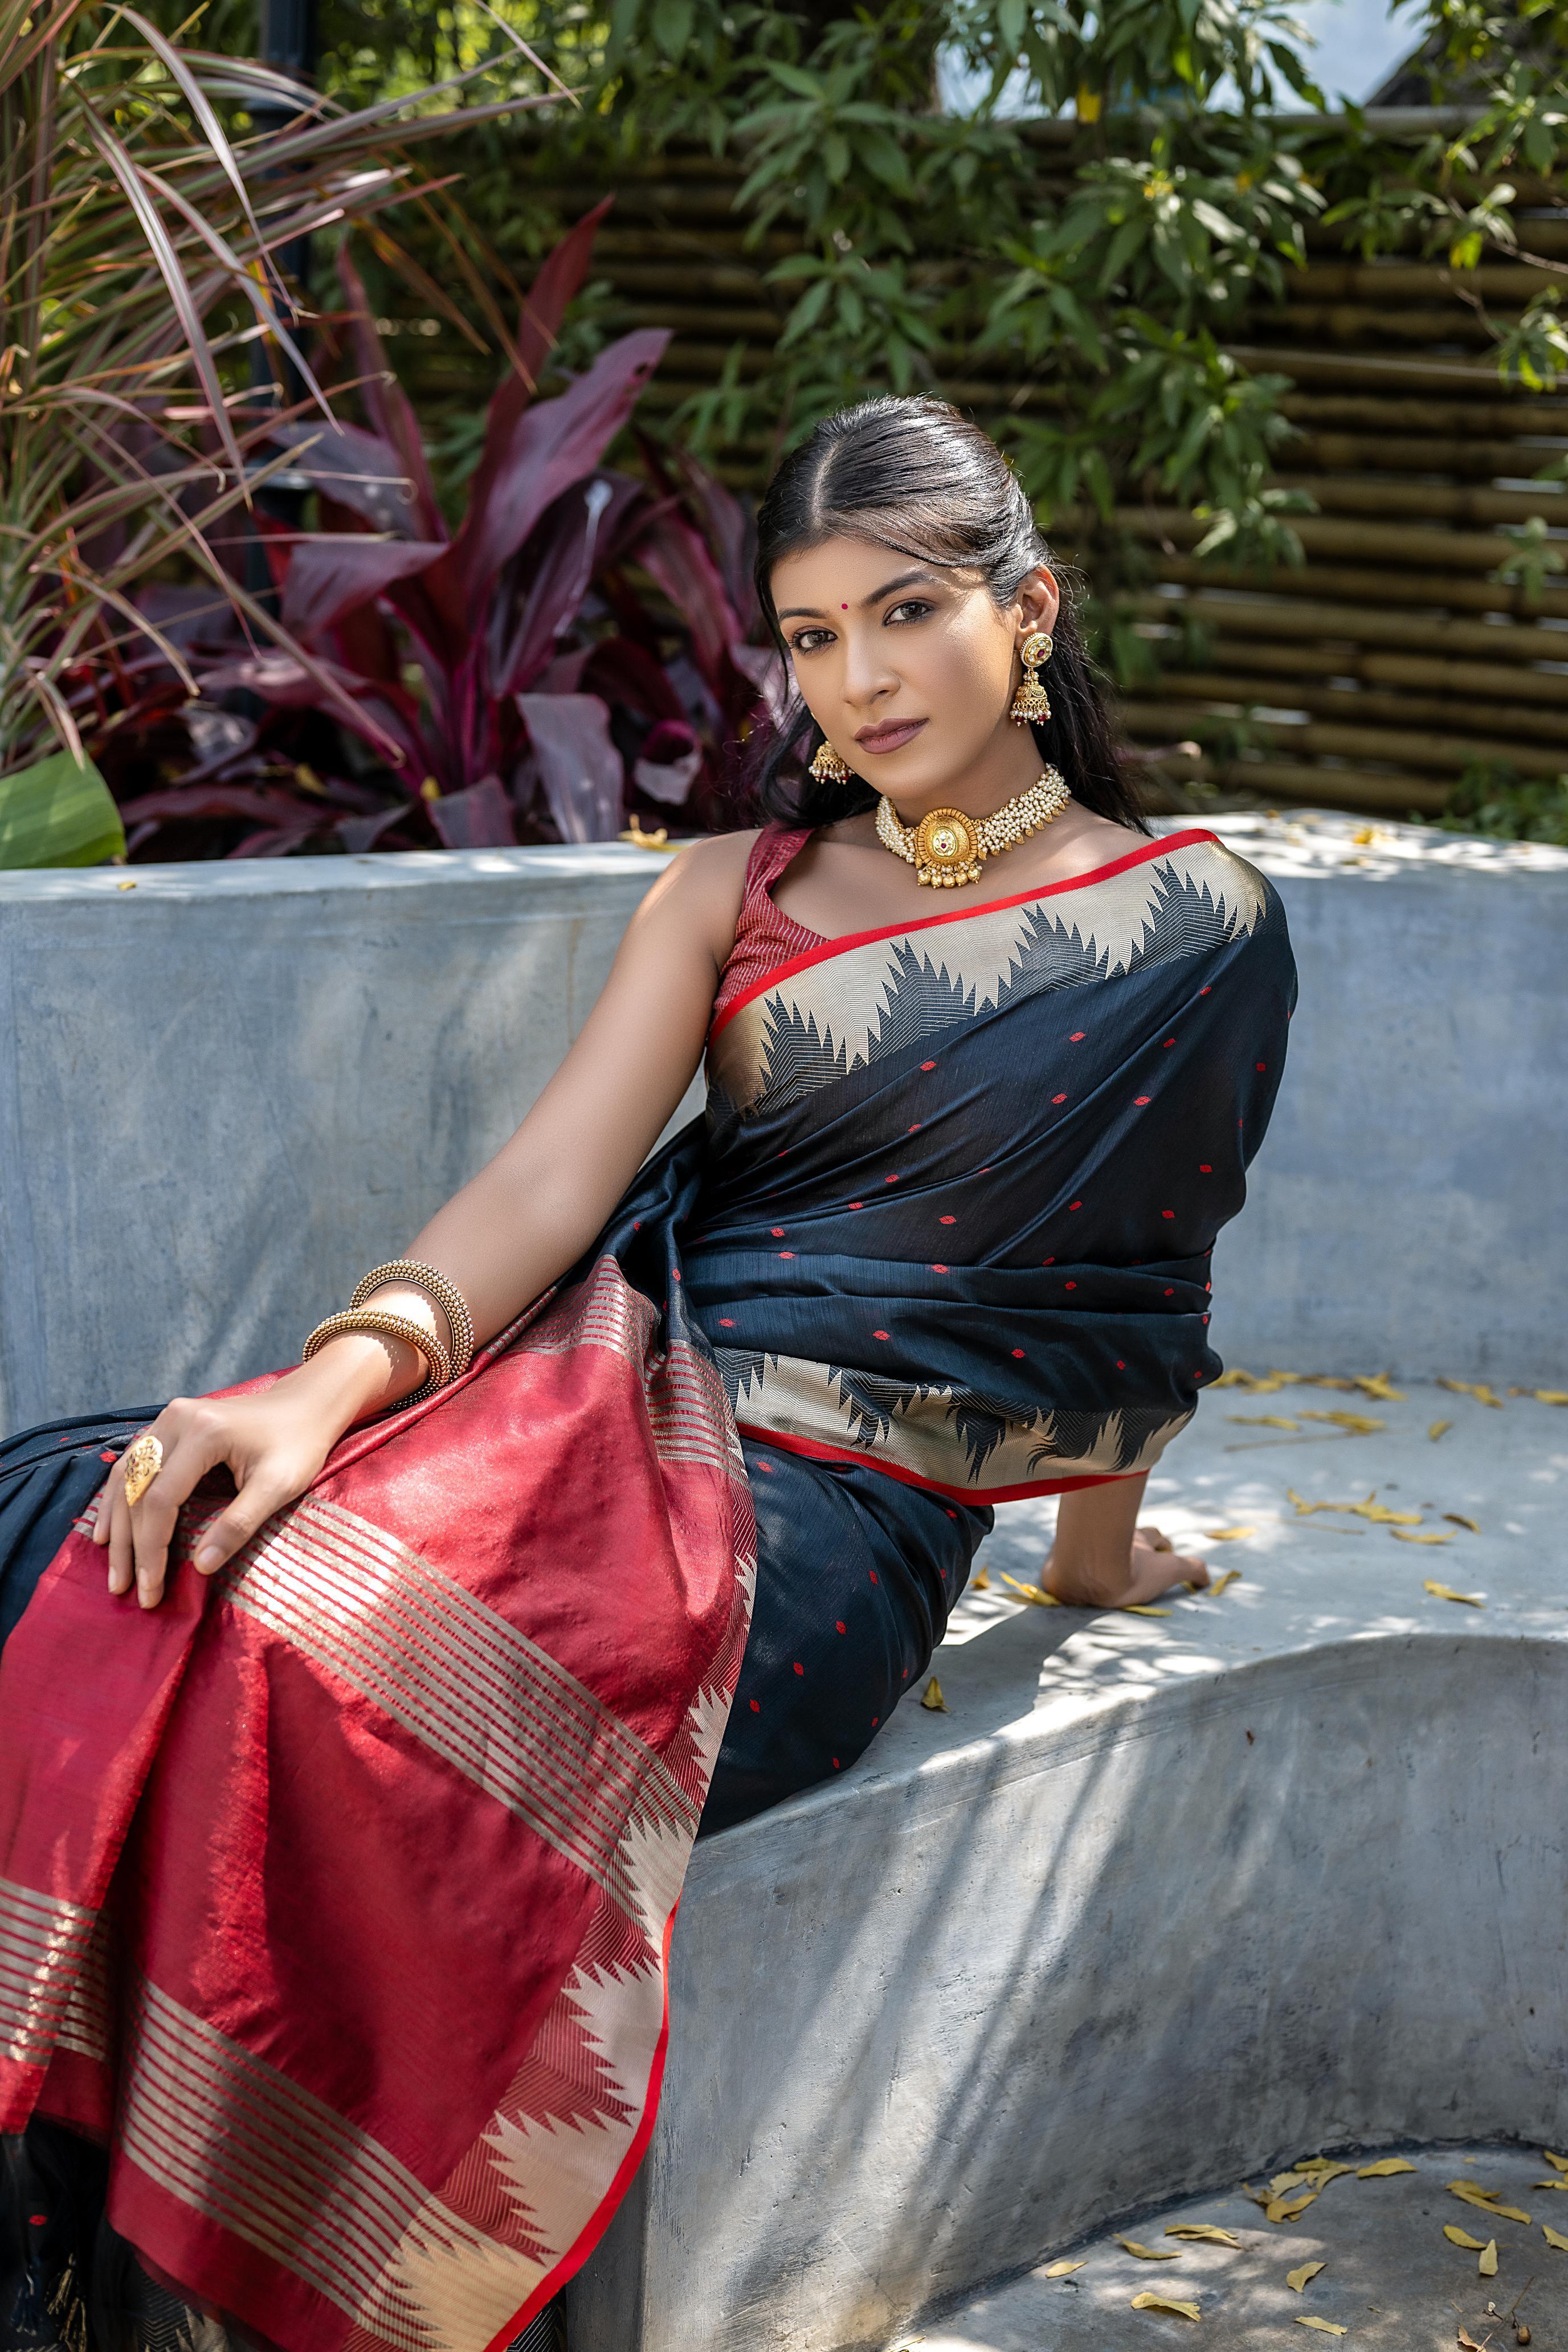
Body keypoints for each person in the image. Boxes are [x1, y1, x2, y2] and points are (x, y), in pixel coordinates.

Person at [0, 396, 1296, 2352]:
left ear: (1031, 610)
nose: (854, 677)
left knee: (305, 1653)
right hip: (588, 1409)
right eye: (808, 632)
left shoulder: (1197, 925)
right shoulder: (737, 889)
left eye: (906, 611)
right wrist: (320, 1389)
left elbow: (1138, 1281)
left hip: (829, 1531)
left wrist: (1092, 1560)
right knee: (87, 1515)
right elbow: (542, 1189)